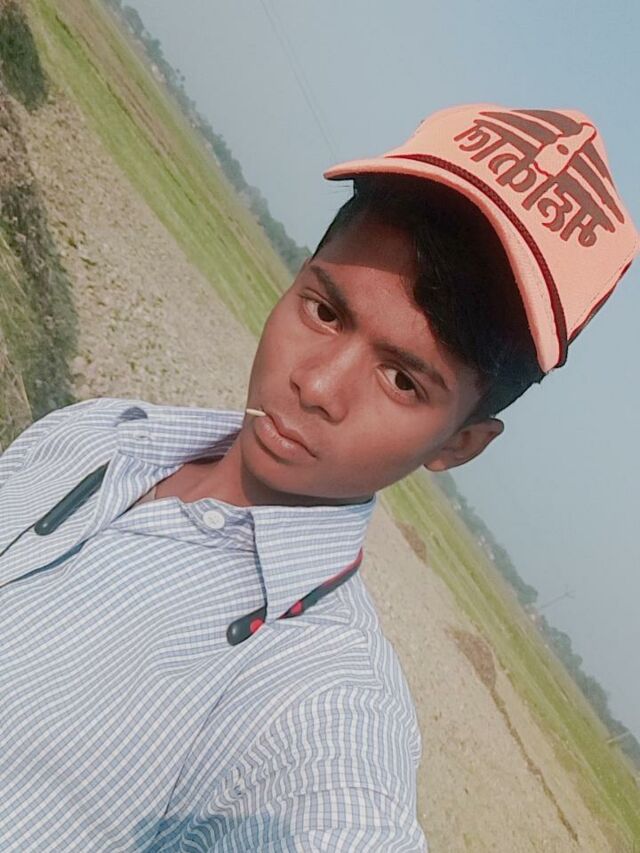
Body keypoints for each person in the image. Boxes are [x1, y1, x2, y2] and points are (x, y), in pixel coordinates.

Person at [0, 103, 637, 851]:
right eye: (326, 312)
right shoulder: (101, 431)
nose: (318, 386)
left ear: (459, 445)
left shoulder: (325, 704)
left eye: (402, 380)